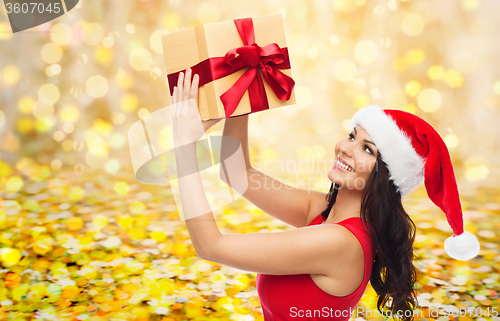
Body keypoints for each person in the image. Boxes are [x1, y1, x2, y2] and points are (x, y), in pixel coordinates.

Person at [171, 67, 480, 321]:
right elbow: (237, 174)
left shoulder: (340, 242)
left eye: (366, 149)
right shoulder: (323, 211)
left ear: (386, 176)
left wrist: (183, 149)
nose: (344, 148)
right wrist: (241, 95)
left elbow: (211, 246)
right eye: (351, 136)